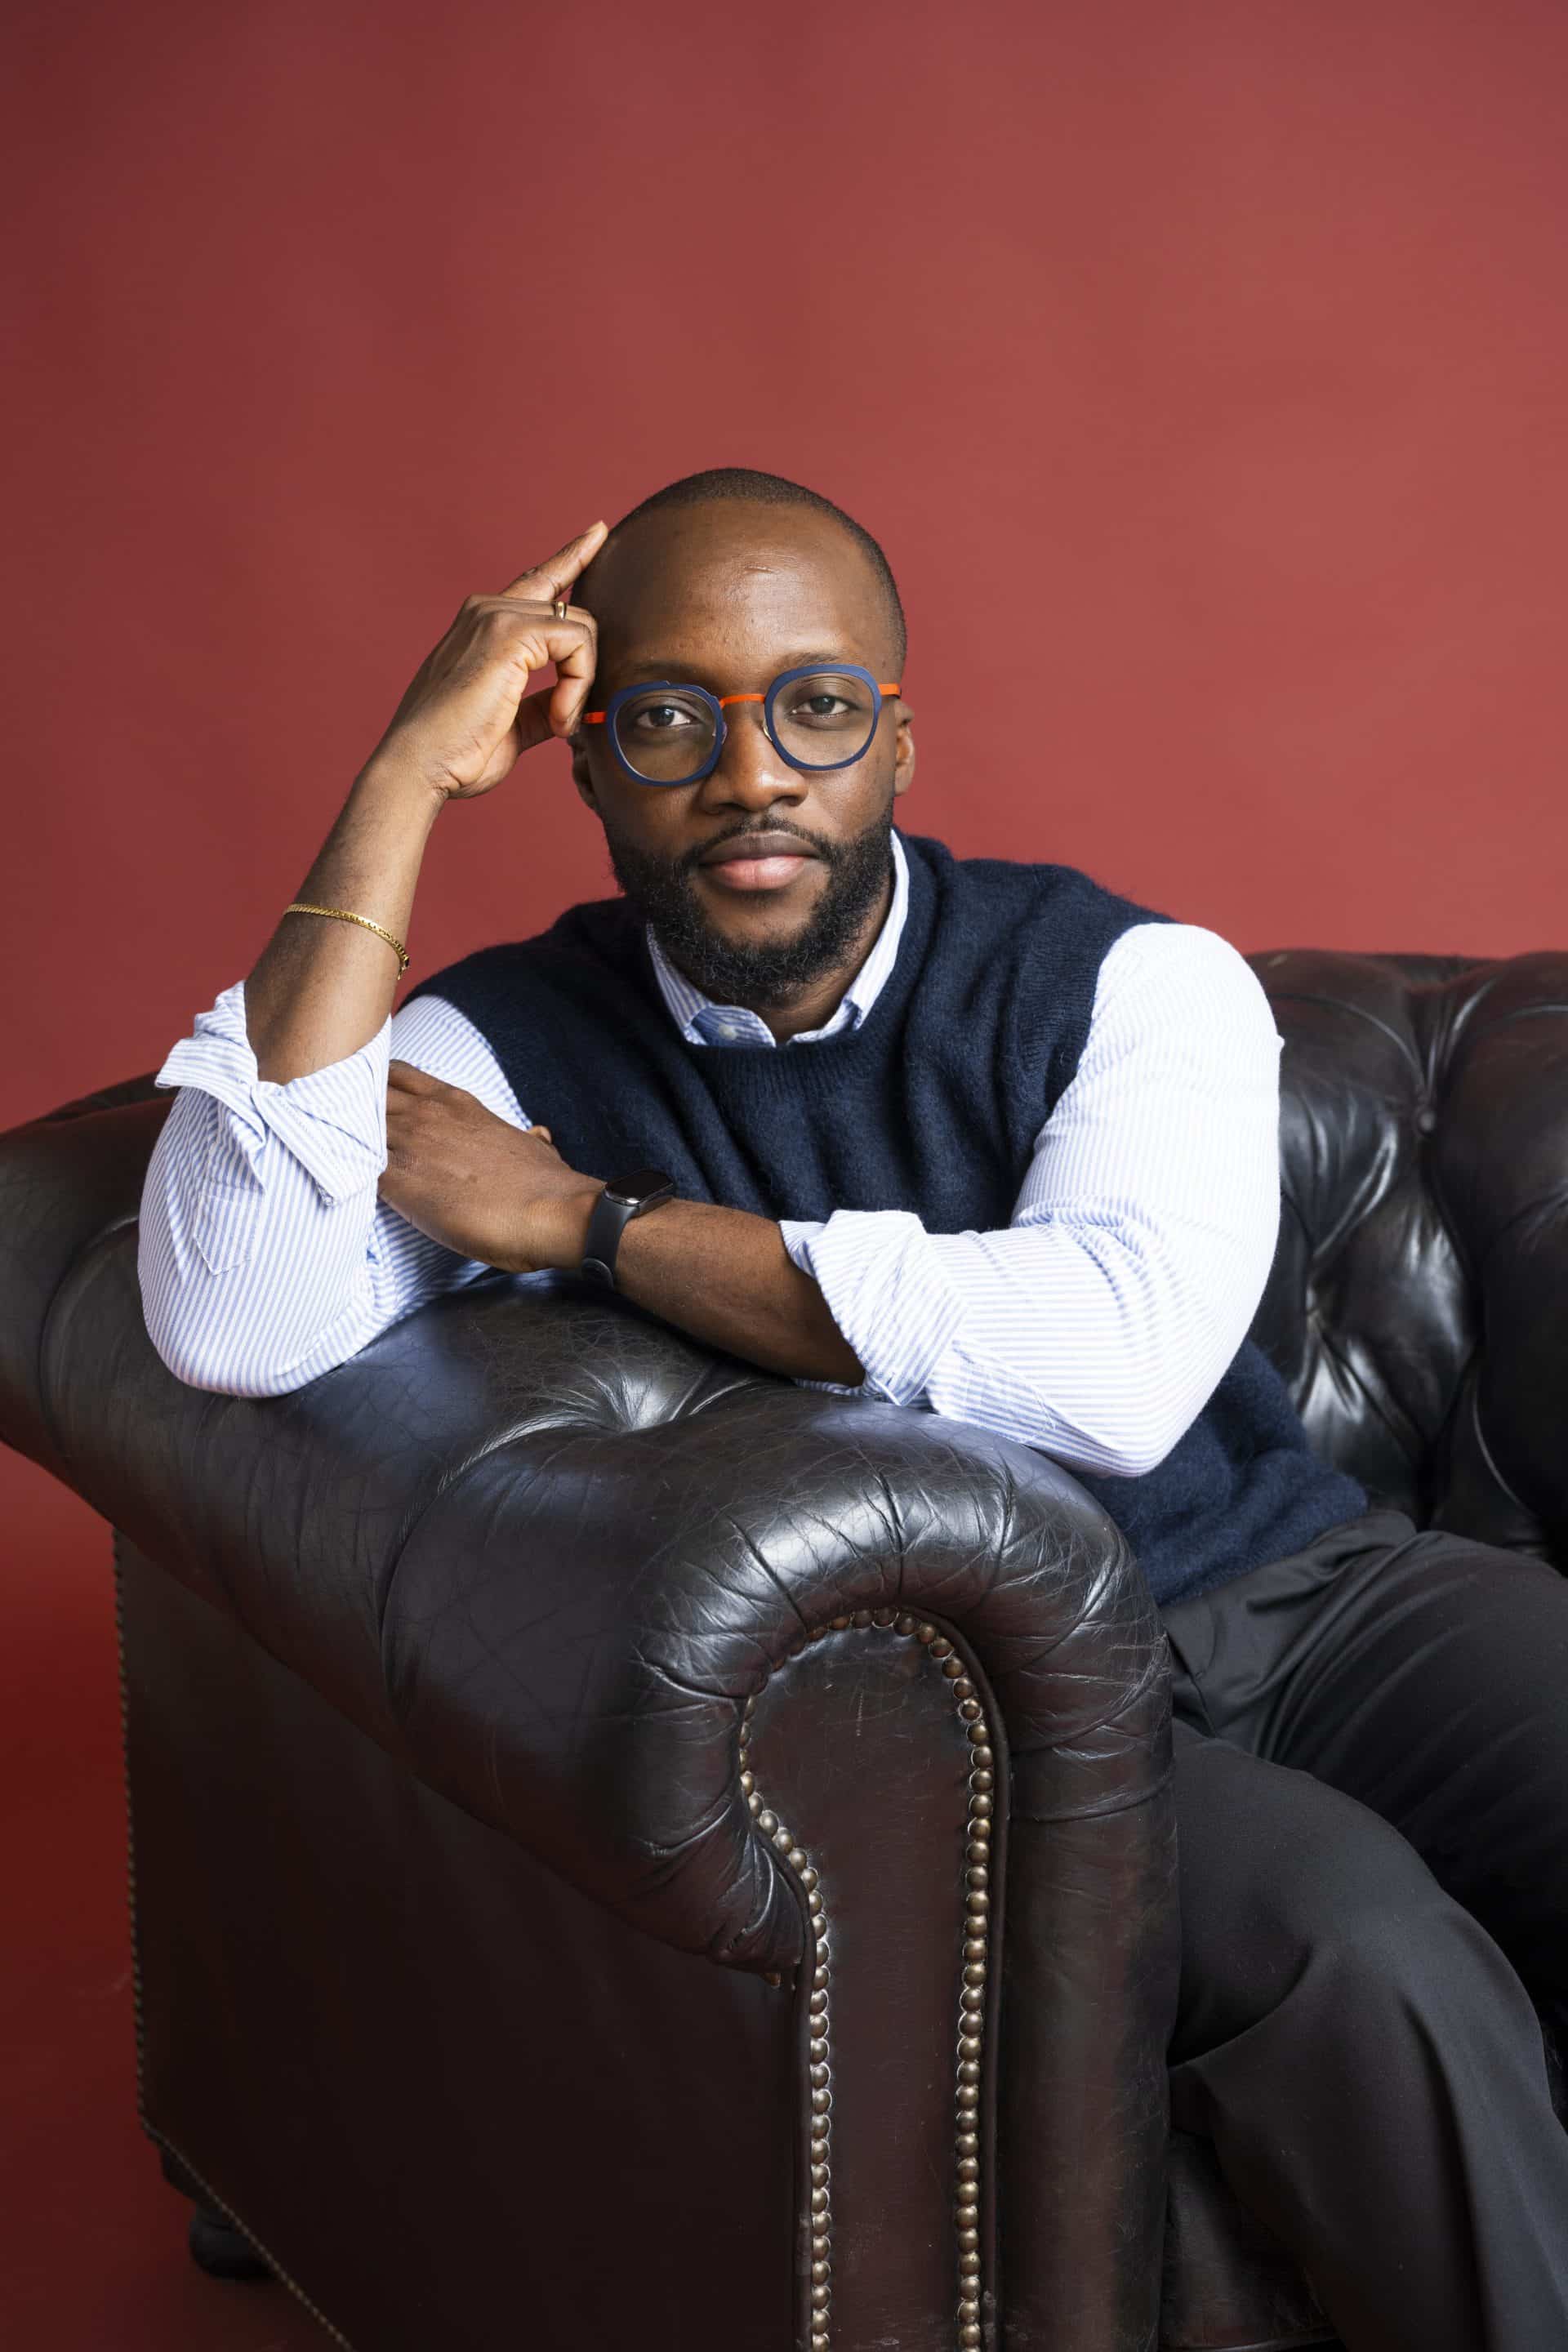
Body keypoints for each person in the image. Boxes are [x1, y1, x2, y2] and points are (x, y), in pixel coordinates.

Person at [137, 466, 1568, 2348]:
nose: (753, 776)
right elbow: (236, 1311)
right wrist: (400, 775)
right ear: (577, 761)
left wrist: (595, 1223)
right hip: (1004, 1717)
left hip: (1313, 1588)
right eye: (670, 720)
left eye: (816, 706)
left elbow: (1115, 1374)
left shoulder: (1130, 981)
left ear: (895, 740)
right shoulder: (499, 1041)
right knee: (1358, 1954)